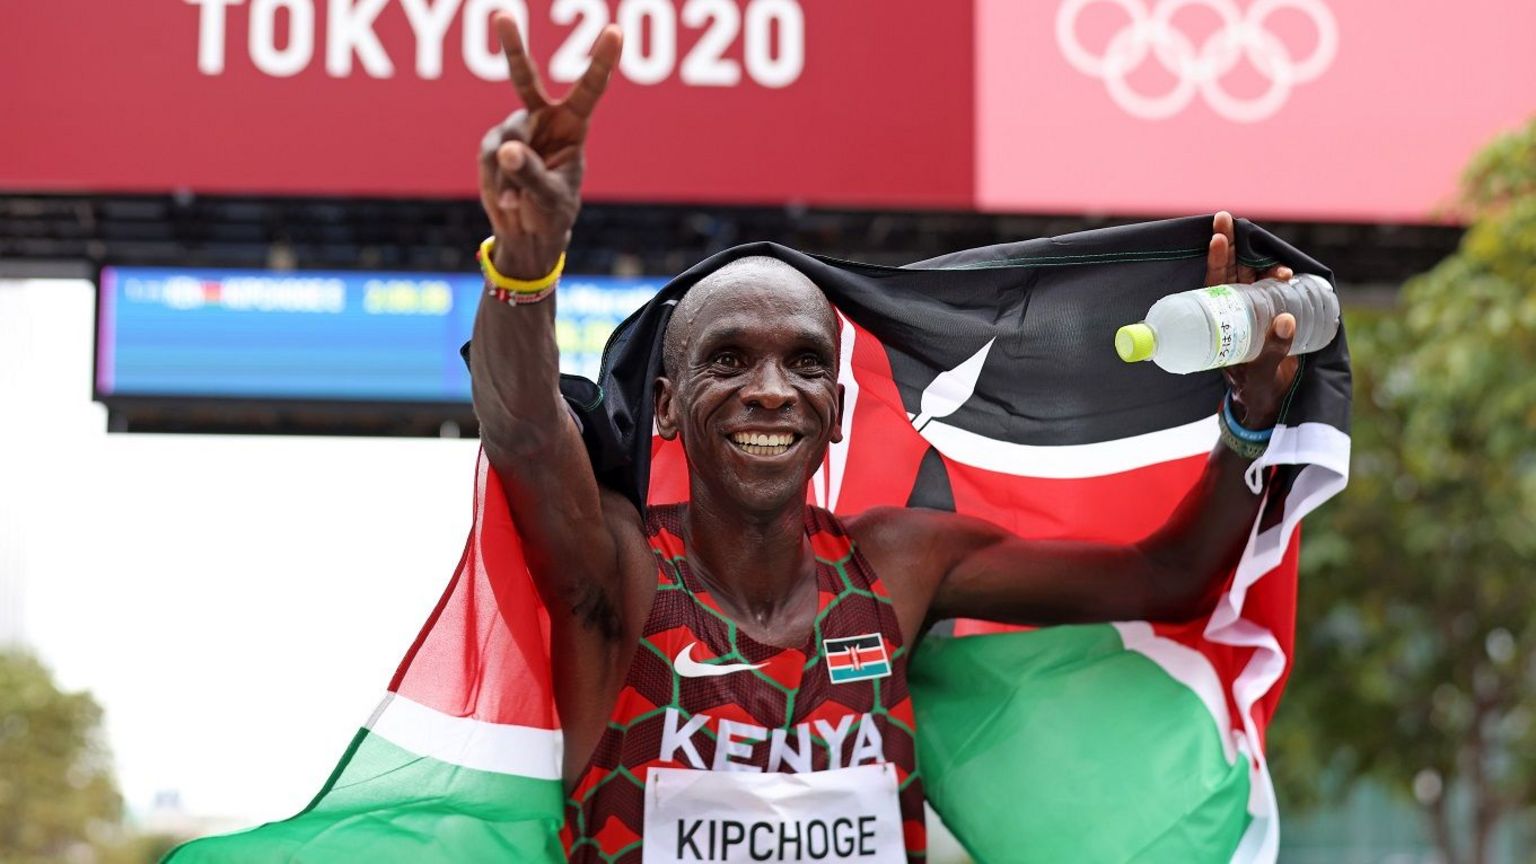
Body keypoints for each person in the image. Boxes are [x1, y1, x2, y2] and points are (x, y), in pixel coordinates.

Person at [469, 14, 1300, 864]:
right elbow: (527, 433)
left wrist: (1250, 417)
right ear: (668, 407)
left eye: (801, 364)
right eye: (727, 361)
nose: (768, 391)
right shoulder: (621, 567)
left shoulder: (897, 566)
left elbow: (1169, 578)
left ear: (833, 412)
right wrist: (526, 266)